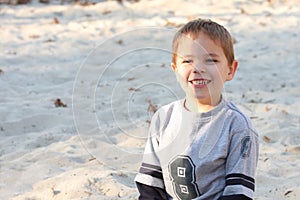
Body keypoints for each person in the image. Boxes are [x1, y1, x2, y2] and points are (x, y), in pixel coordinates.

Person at [134, 18, 259, 200]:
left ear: (231, 70)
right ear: (175, 69)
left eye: (211, 60)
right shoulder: (163, 118)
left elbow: (238, 194)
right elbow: (150, 186)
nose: (198, 68)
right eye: (187, 61)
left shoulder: (238, 126)